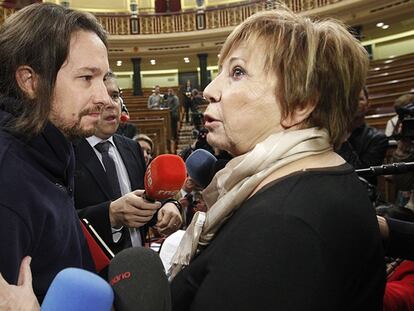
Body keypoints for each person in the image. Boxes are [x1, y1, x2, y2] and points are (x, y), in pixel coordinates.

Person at [170, 8, 385, 310]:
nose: (209, 90)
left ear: (299, 105)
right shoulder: (310, 184)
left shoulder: (283, 227)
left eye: (237, 72)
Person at [0, 3, 110, 302]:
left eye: (104, 78)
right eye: (86, 78)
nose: (103, 97)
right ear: (30, 81)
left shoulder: (55, 147)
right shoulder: (7, 179)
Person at [74, 73, 182, 254]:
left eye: (115, 96)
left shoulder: (132, 147)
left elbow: (148, 198)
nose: (110, 104)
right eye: (102, 97)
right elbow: (57, 223)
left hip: (138, 266)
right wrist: (110, 216)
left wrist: (169, 206)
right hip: (92, 273)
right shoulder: (66, 151)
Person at [336, 86, 388, 186]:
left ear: (368, 104)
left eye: (360, 99)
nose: (355, 103)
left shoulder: (377, 138)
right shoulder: (331, 133)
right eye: (351, 99)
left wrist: (342, 140)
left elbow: (363, 174)